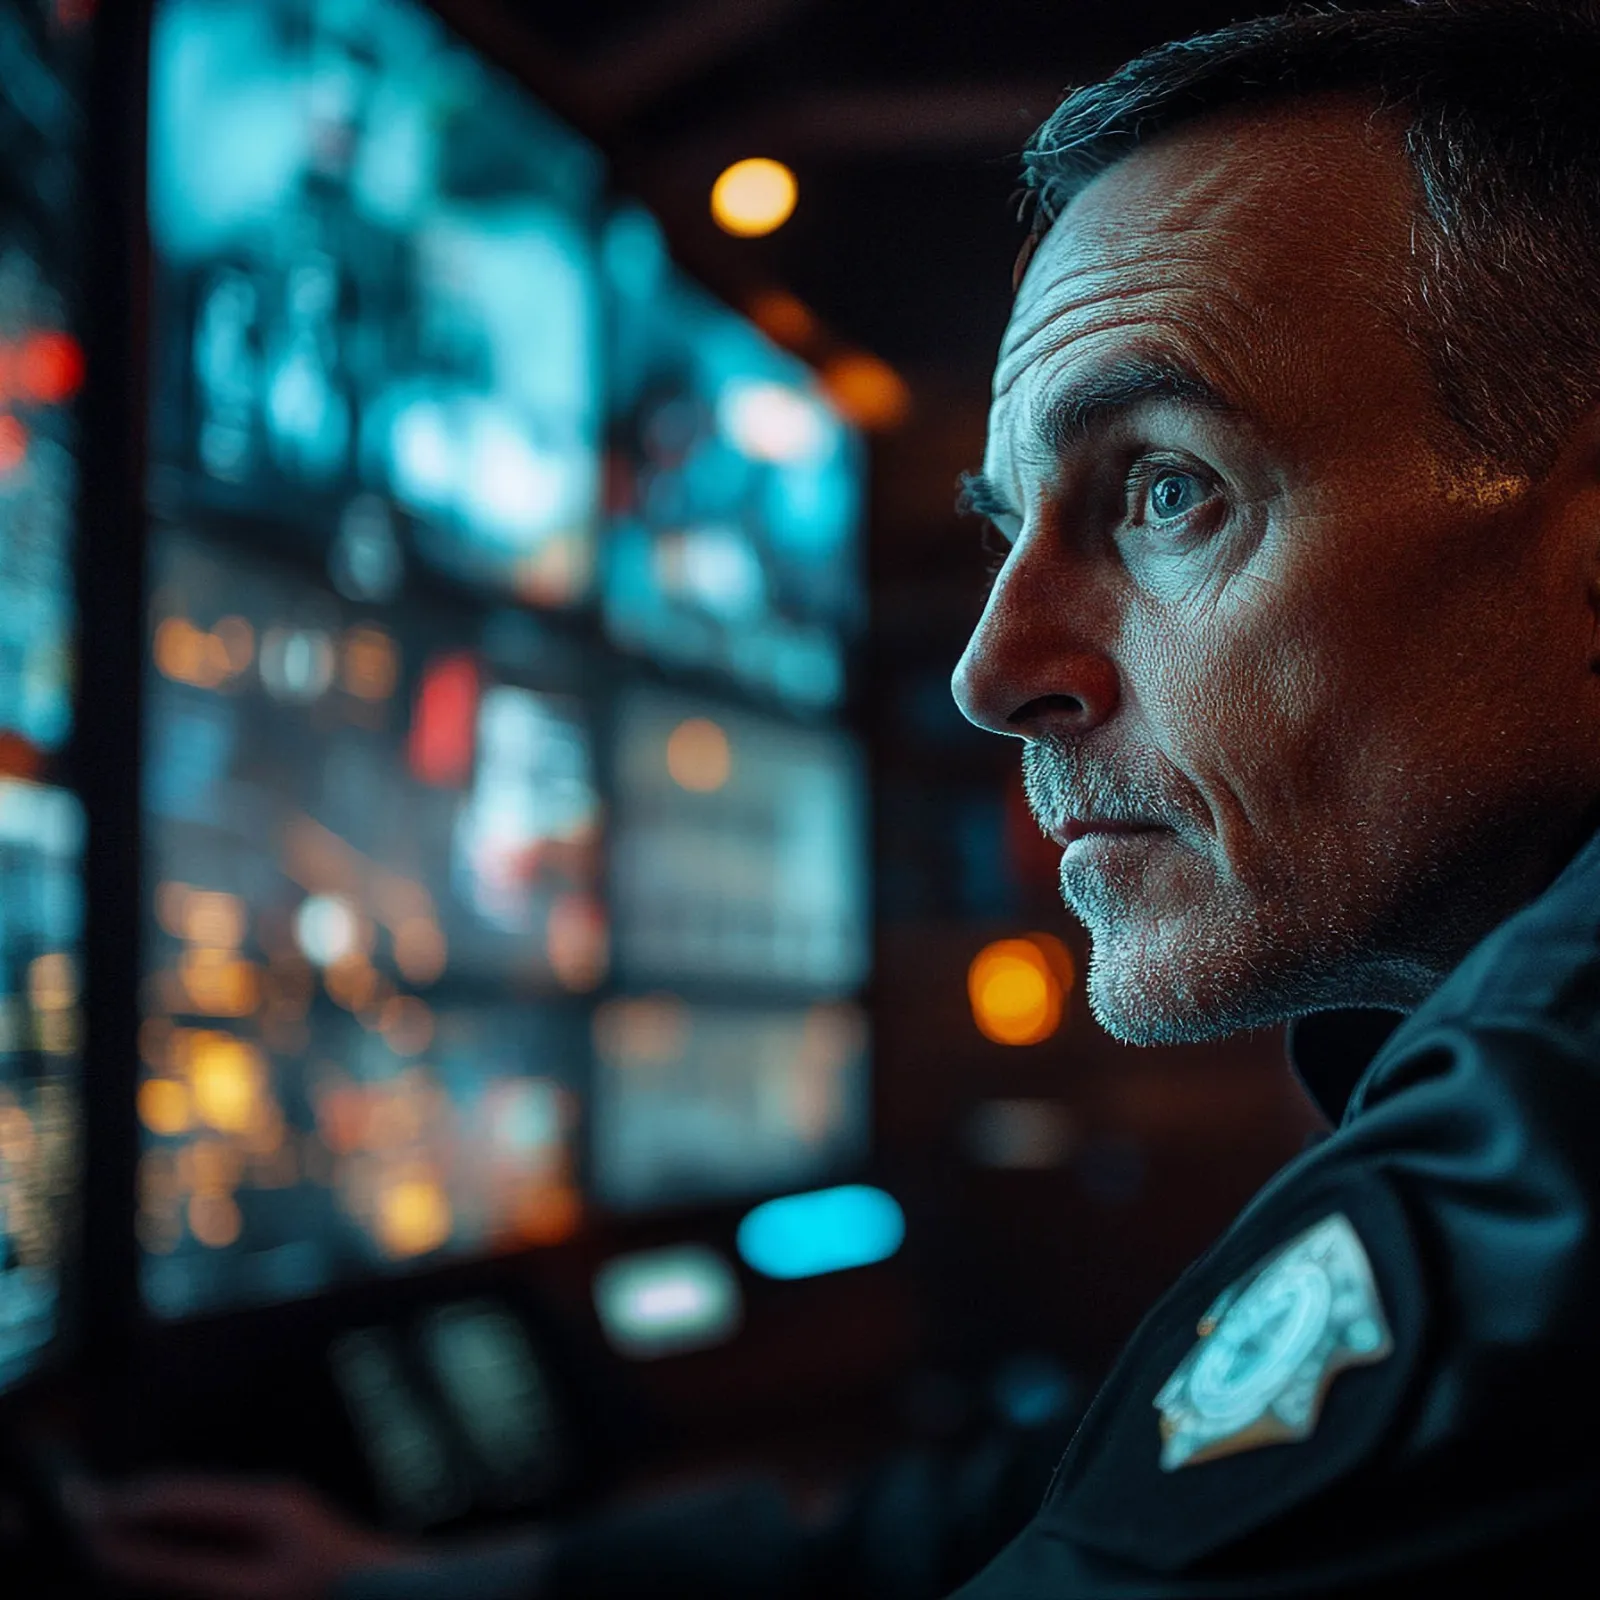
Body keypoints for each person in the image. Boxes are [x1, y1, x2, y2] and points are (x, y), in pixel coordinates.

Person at [87, 0, 1600, 1593]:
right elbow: (1091, 1489)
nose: (989, 670)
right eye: (1008, 526)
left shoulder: (1543, 1165)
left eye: (1166, 489)